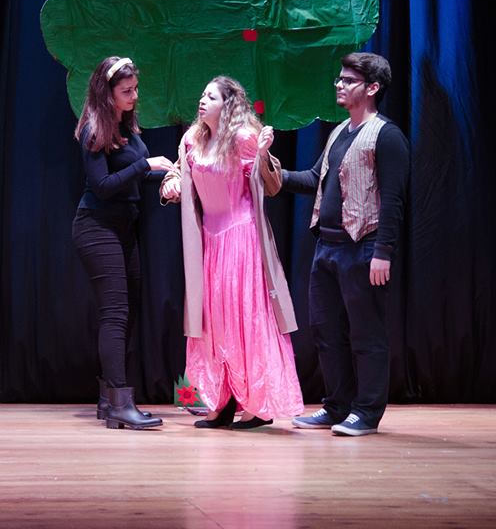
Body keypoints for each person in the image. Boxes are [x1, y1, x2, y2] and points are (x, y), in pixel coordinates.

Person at [160, 76, 303, 430]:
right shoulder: (191, 139)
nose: (202, 100)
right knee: (210, 323)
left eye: (211, 96)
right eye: (202, 94)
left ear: (228, 105)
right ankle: (216, 403)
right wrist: (172, 182)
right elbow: (178, 171)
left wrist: (264, 153)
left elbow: (270, 185)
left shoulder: (243, 138)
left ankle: (257, 406)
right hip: (208, 240)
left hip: (241, 238)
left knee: (243, 319)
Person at [278, 52, 409, 436]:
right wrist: (272, 171)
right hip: (328, 248)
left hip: (363, 247)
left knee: (366, 334)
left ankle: (366, 413)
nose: (339, 84)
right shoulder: (339, 132)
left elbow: (394, 200)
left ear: (372, 88)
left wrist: (383, 252)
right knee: (327, 331)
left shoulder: (386, 136)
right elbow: (312, 179)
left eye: (348, 80)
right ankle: (336, 406)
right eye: (339, 78)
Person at [72, 56, 173, 430]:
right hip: (96, 226)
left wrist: (168, 175)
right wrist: (146, 165)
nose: (134, 96)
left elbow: (133, 178)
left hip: (124, 228)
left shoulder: (125, 127)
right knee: (114, 313)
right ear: (107, 93)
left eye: (135, 89)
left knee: (127, 311)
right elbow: (102, 186)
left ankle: (109, 399)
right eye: (126, 91)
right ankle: (119, 403)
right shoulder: (94, 129)